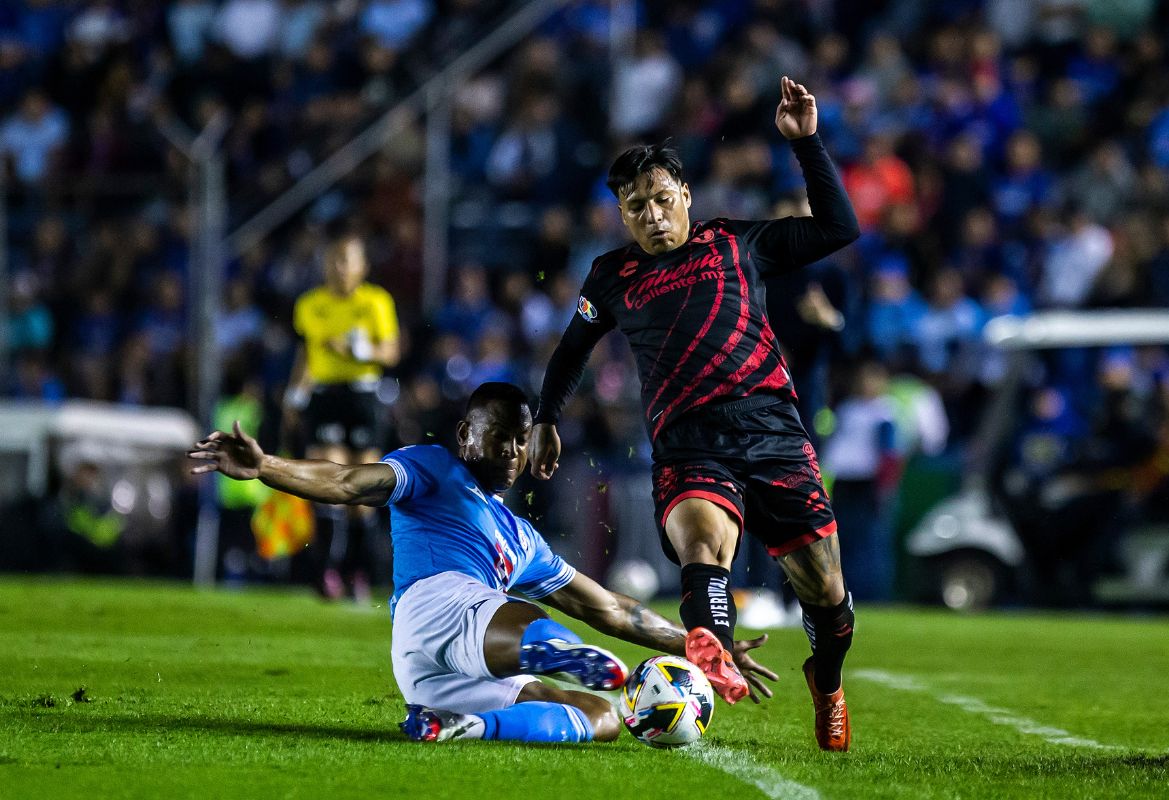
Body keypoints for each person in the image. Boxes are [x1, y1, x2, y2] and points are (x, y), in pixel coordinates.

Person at [531, 77, 861, 750]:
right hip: (689, 441)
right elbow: (569, 353)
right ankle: (712, 645)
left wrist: (806, 144)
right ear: (623, 217)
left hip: (772, 429)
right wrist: (544, 419)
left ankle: (826, 679)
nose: (651, 216)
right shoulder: (612, 276)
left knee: (825, 590)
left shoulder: (738, 242)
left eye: (659, 199)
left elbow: (839, 227)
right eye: (635, 207)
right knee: (702, 545)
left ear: (685, 196)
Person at [189, 382, 777, 744]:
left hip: (435, 675)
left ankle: (460, 726)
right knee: (532, 626)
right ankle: (601, 667)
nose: (514, 451)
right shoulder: (431, 468)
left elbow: (611, 606)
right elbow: (347, 481)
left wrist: (697, 646)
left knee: (600, 719)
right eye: (500, 436)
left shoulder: (523, 541)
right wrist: (268, 468)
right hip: (437, 606)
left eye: (522, 441)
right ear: (466, 433)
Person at [283, 232, 402, 601]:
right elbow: (307, 354)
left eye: (346, 259)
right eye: (333, 259)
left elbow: (391, 352)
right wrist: (294, 395)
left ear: (362, 266)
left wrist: (360, 348)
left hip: (363, 395)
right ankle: (327, 573)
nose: (338, 267)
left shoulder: (376, 302)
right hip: (326, 395)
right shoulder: (310, 304)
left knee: (363, 487)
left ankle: (360, 572)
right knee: (331, 478)